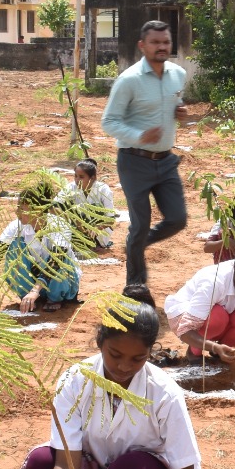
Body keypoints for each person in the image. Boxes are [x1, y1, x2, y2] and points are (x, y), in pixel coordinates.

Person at [15, 301, 200, 469]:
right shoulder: (75, 381)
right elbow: (67, 462)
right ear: (100, 343)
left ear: (150, 352)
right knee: (41, 463)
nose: (124, 366)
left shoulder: (164, 393)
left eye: (138, 359)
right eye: (115, 354)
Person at [103, 20, 188, 288]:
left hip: (165, 161)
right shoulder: (129, 80)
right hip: (134, 162)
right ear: (142, 45)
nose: (161, 47)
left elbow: (174, 102)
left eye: (166, 42)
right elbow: (109, 121)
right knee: (139, 225)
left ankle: (136, 246)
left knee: (177, 219)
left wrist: (179, 111)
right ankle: (135, 286)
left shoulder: (178, 74)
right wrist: (139, 136)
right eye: (155, 42)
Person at [164, 247, 235, 365]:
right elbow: (185, 330)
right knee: (217, 316)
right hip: (183, 318)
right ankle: (194, 353)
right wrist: (214, 347)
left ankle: (225, 351)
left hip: (220, 319)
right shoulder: (214, 281)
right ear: (234, 267)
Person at [0, 179, 79, 314]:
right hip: (34, 279)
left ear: (37, 210)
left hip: (62, 281)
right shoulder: (16, 226)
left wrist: (35, 291)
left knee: (59, 258)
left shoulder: (60, 225)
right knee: (14, 248)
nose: (17, 213)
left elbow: (56, 261)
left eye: (21, 209)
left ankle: (54, 297)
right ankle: (26, 295)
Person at [59, 158, 117, 251]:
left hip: (99, 234)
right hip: (75, 229)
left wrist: (96, 228)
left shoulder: (103, 189)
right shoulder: (70, 187)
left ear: (93, 178)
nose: (77, 180)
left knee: (96, 208)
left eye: (81, 177)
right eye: (76, 176)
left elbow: (110, 219)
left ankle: (95, 242)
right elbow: (55, 206)